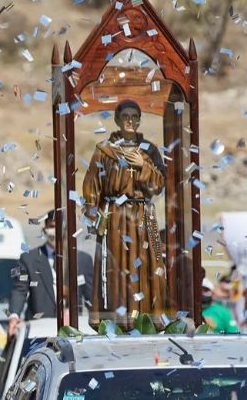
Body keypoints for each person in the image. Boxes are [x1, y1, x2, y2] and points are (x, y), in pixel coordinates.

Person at [82, 99, 167, 329]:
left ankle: (147, 316)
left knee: (147, 264)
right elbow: (92, 186)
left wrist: (143, 166)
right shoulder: (104, 151)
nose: (130, 121)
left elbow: (159, 185)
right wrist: (94, 216)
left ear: (139, 121)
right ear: (117, 120)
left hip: (143, 216)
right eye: (126, 116)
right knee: (118, 266)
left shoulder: (149, 151)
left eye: (134, 117)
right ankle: (119, 318)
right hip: (116, 216)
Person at [8, 210, 93, 335]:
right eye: (51, 226)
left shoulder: (82, 259)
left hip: (73, 328)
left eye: (59, 226)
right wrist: (14, 315)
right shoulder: (29, 258)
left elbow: (91, 296)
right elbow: (20, 290)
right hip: (40, 329)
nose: (55, 231)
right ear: (44, 230)